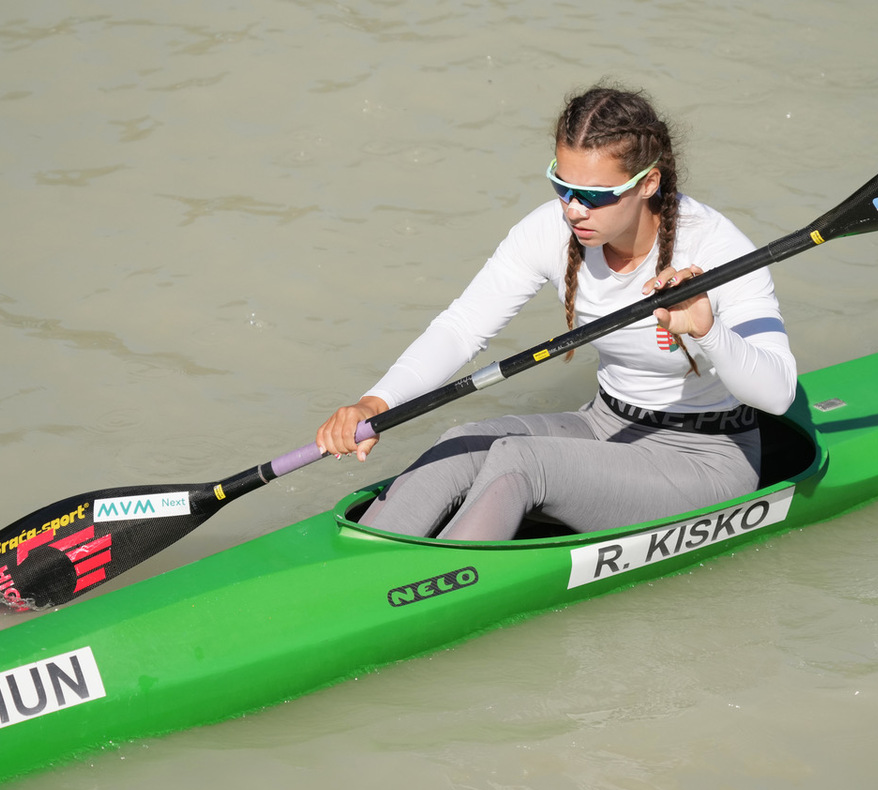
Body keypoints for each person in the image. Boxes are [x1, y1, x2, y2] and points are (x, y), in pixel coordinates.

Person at [316, 84, 797, 541]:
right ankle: (365, 562)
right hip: (607, 423)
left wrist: (709, 331)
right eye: (561, 186)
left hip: (705, 456)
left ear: (648, 182)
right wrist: (375, 404)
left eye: (593, 195)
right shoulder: (550, 231)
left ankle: (417, 592)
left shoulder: (718, 249)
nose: (572, 210)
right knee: (461, 442)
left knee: (522, 462)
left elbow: (777, 394)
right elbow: (462, 328)